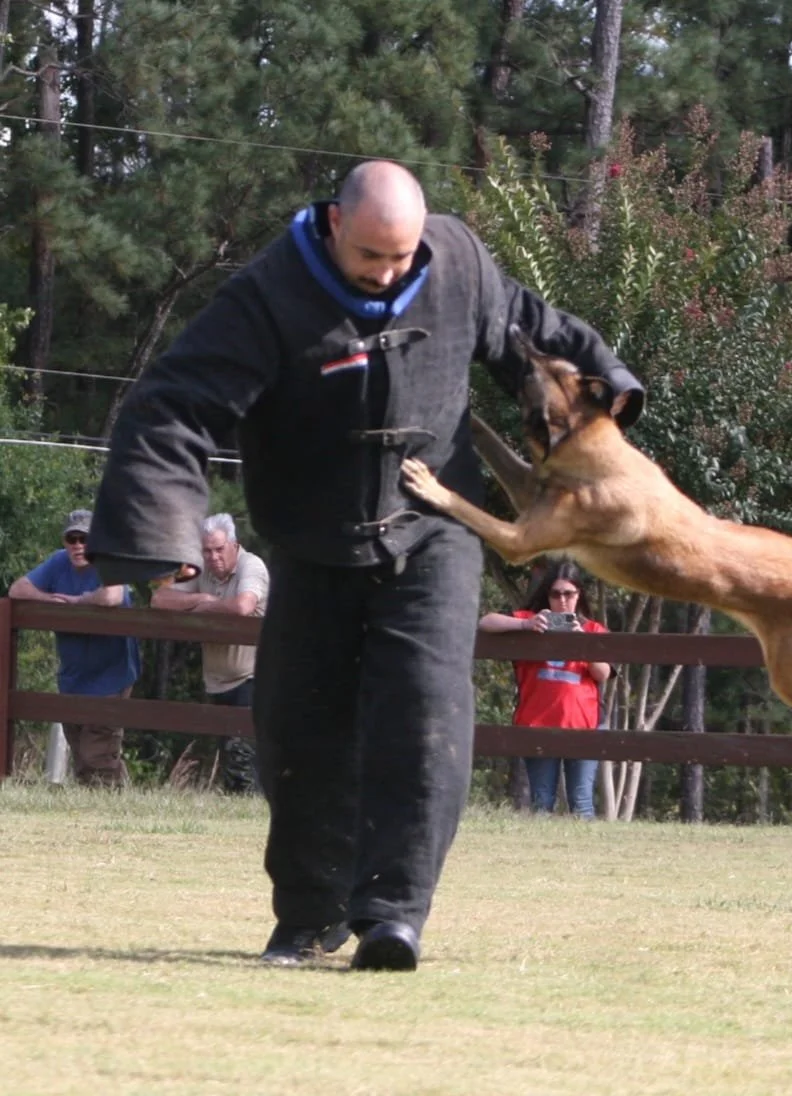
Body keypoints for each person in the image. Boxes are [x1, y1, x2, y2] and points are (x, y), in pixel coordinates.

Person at [85, 159, 645, 971]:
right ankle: (310, 917)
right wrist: (158, 531)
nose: (389, 273)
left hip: (436, 526)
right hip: (311, 539)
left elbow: (528, 329)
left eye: (402, 255)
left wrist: (606, 389)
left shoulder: (454, 259)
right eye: (372, 257)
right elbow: (174, 402)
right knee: (296, 729)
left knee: (423, 715)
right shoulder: (269, 293)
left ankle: (395, 915)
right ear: (336, 224)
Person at [8, 509, 141, 787]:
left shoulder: (109, 562)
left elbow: (112, 596)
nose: (79, 545)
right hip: (73, 676)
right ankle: (120, 797)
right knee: (83, 755)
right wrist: (48, 599)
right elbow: (17, 590)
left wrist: (74, 602)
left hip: (111, 676)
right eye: (72, 539)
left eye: (85, 539)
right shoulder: (58, 562)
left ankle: (108, 805)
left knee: (97, 756)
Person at [479, 562, 612, 818]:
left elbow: (603, 674)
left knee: (582, 802)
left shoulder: (593, 629)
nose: (562, 601)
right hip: (537, 723)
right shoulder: (531, 622)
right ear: (547, 595)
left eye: (569, 593)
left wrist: (581, 641)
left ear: (579, 594)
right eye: (555, 594)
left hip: (584, 724)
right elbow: (486, 622)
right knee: (542, 802)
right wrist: (525, 626)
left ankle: (587, 856)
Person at [150, 513, 268, 794]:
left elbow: (243, 606)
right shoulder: (198, 568)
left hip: (252, 676)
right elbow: (159, 598)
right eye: (207, 550)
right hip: (217, 678)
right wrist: (201, 599)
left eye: (219, 549)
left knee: (243, 757)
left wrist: (206, 609)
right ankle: (240, 806)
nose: (213, 557)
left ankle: (248, 812)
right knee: (229, 755)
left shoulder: (251, 566)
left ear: (234, 545)